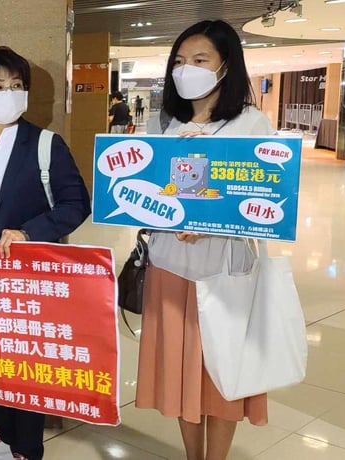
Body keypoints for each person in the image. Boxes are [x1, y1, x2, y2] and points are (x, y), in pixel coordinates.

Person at [137, 20, 274, 460]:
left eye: (199, 60)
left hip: (225, 270)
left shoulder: (250, 123)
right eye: (179, 61)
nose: (186, 69)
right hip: (169, 264)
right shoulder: (164, 123)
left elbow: (266, 199)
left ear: (225, 67)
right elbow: (142, 186)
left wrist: (213, 222)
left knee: (222, 374)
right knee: (180, 375)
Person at [0, 46, 91, 460]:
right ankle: (5, 438)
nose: (8, 93)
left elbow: (75, 204)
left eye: (16, 86)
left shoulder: (46, 144)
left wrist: (30, 232)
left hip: (27, 274)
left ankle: (27, 449)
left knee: (24, 363)